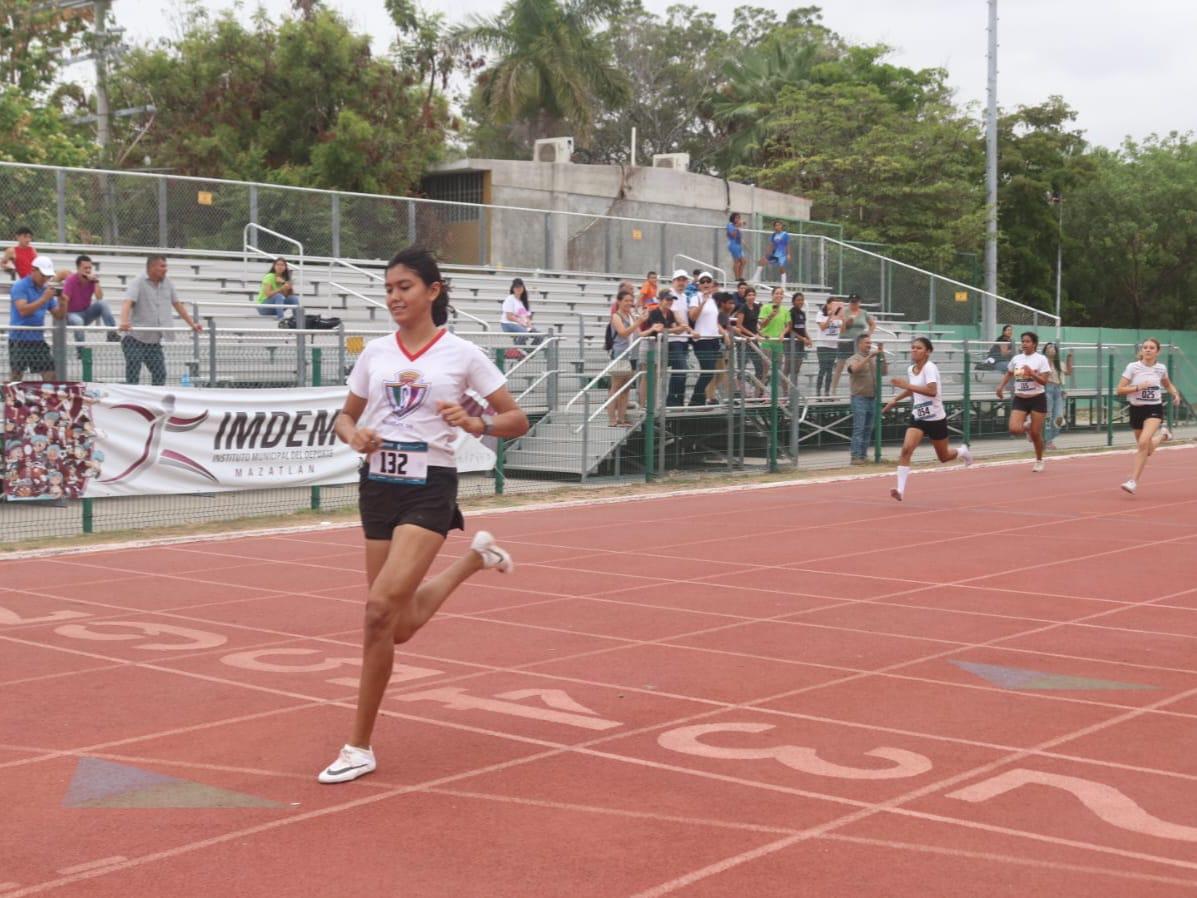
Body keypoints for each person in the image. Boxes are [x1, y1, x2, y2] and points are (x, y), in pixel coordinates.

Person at [317, 247, 529, 784]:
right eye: (388, 288)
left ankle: (358, 745)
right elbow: (343, 418)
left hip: (429, 488)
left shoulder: (462, 354)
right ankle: (474, 560)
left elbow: (517, 418)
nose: (394, 297)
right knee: (397, 625)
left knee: (375, 611)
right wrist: (354, 436)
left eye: (405, 287)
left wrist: (476, 423)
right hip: (378, 488)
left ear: (433, 291)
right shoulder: (374, 353)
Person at [882, 336, 973, 501]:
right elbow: (913, 390)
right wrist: (895, 399)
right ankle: (900, 490)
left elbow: (932, 391)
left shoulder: (930, 368)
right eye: (913, 347)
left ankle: (962, 451)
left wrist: (906, 385)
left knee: (943, 457)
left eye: (919, 348)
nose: (914, 350)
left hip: (936, 419)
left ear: (928, 352)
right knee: (906, 449)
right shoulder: (911, 369)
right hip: (918, 417)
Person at [118, 255, 203, 386]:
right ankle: (132, 403)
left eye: (166, 266)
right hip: (134, 339)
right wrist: (123, 322)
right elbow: (127, 303)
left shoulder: (168, 283)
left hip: (154, 342)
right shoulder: (138, 282)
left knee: (160, 374)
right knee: (133, 375)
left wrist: (192, 324)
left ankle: (155, 403)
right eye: (162, 266)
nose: (166, 269)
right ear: (152, 267)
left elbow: (177, 304)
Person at [1117, 337, 1179, 495]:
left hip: (1154, 408)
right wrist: (1138, 387)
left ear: (1157, 351)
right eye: (1145, 347)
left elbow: (1167, 384)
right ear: (1141, 350)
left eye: (1151, 347)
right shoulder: (1133, 367)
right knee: (1147, 449)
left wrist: (1175, 394)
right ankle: (1163, 436)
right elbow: (1120, 389)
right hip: (1136, 409)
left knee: (1143, 442)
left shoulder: (1161, 368)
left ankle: (1133, 481)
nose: (1148, 350)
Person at [995, 331, 1051, 472]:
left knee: (1036, 434)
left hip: (1037, 398)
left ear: (1034, 344)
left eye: (1027, 341)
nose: (1024, 344)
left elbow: (1044, 381)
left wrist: (1032, 373)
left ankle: (1039, 460)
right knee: (1014, 429)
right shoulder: (1016, 359)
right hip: (1020, 398)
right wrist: (1000, 387)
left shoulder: (1041, 359)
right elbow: (1009, 373)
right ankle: (1026, 426)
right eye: (1023, 341)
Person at [8, 256, 65, 381]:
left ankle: (49, 399)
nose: (46, 279)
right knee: (16, 377)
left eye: (48, 276)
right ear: (33, 270)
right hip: (19, 340)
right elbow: (23, 310)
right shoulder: (20, 286)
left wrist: (63, 301)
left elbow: (59, 315)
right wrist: (44, 299)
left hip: (37, 340)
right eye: (43, 275)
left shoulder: (46, 290)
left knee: (50, 374)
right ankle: (7, 398)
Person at [608, 289, 647, 426]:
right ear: (619, 301)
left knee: (626, 388)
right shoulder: (616, 316)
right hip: (621, 354)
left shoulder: (631, 315)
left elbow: (639, 334)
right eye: (626, 301)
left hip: (632, 355)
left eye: (631, 301)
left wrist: (653, 328)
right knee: (616, 387)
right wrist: (638, 322)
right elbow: (623, 333)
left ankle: (621, 418)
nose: (629, 303)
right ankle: (612, 419)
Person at [847, 333, 886, 465]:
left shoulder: (874, 359)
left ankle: (863, 455)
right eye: (866, 343)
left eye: (870, 343)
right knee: (859, 427)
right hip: (859, 398)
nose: (869, 345)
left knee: (868, 428)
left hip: (872, 397)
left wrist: (882, 355)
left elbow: (885, 372)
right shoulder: (854, 358)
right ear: (859, 344)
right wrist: (869, 356)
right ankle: (855, 455)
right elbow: (854, 370)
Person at [62, 254, 118, 343]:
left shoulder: (92, 281)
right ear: (78, 268)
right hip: (71, 314)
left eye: (89, 268)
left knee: (103, 303)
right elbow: (65, 300)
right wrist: (64, 317)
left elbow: (99, 297)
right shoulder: (70, 280)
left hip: (86, 313)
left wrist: (96, 281)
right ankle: (81, 351)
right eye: (85, 268)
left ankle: (112, 334)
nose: (88, 270)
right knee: (78, 321)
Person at [688, 271, 722, 406]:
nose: (706, 284)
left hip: (713, 339)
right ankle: (695, 400)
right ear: (699, 285)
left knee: (712, 371)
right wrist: (703, 301)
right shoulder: (695, 298)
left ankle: (701, 399)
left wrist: (723, 333)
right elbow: (693, 317)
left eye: (708, 281)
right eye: (703, 282)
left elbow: (715, 320)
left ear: (712, 284)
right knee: (707, 370)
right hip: (701, 339)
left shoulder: (714, 300)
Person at [831, 294, 876, 394]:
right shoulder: (844, 312)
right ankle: (833, 390)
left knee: (859, 365)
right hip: (845, 341)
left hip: (858, 343)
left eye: (856, 302)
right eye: (852, 302)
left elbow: (872, 324)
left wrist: (868, 334)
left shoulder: (864, 313)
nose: (854, 304)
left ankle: (859, 390)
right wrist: (846, 323)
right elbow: (841, 330)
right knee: (840, 366)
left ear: (859, 302)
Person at [663, 270, 693, 406]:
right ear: (673, 281)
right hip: (674, 339)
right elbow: (675, 314)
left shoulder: (684, 296)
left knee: (681, 371)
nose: (681, 282)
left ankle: (678, 401)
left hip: (683, 339)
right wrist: (685, 327)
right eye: (678, 280)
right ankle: (672, 402)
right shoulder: (670, 294)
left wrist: (687, 329)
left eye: (683, 280)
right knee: (680, 370)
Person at [733, 286, 765, 397]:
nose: (751, 297)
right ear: (745, 297)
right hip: (743, 339)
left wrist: (761, 334)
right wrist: (752, 335)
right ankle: (741, 392)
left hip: (753, 339)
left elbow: (755, 324)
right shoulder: (743, 308)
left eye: (753, 294)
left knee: (760, 365)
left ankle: (757, 392)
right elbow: (739, 325)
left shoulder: (756, 307)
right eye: (749, 295)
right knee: (742, 366)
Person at [1042, 342, 1073, 449]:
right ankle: (1047, 441)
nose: (1052, 349)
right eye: (1049, 347)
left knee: (1059, 418)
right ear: (1045, 350)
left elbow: (1069, 372)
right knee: (1047, 417)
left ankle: (1046, 439)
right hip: (1047, 390)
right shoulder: (1043, 362)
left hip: (1058, 390)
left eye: (1053, 347)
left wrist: (1069, 358)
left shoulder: (1059, 363)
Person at [758, 285, 789, 390]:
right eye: (777, 293)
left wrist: (783, 333)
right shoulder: (766, 307)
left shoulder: (785, 310)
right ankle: (759, 393)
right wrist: (771, 315)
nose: (779, 295)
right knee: (765, 369)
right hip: (767, 341)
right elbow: (761, 325)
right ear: (772, 295)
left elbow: (788, 325)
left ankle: (772, 393)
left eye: (781, 293)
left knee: (777, 369)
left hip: (778, 342)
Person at [814, 298, 844, 397]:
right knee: (823, 368)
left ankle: (827, 392)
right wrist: (830, 316)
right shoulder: (820, 314)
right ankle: (818, 391)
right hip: (822, 345)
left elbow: (843, 329)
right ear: (827, 304)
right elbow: (822, 327)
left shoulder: (838, 316)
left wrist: (842, 317)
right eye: (831, 304)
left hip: (833, 346)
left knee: (830, 369)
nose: (833, 306)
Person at [255, 257, 300, 322]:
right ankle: (281, 319)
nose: (280, 267)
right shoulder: (269, 276)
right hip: (263, 307)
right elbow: (268, 294)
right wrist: (281, 288)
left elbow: (287, 296)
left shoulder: (284, 278)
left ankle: (297, 320)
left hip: (276, 308)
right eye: (278, 264)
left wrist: (285, 284)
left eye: (282, 265)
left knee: (293, 298)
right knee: (279, 296)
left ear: (285, 267)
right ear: (274, 266)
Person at [499, 277, 537, 346]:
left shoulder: (524, 301)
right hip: (508, 324)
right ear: (513, 288)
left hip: (523, 325)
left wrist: (529, 325)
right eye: (516, 287)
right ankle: (519, 350)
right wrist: (521, 322)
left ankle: (528, 353)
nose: (518, 289)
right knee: (524, 333)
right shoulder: (510, 299)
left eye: (520, 287)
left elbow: (527, 317)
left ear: (523, 288)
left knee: (539, 336)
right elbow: (509, 317)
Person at [783, 291, 812, 382]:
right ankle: (784, 390)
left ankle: (794, 389)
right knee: (788, 367)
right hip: (790, 342)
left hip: (800, 343)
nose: (800, 302)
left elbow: (803, 328)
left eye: (802, 300)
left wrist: (808, 338)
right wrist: (802, 338)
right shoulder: (791, 313)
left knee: (797, 367)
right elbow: (790, 330)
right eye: (798, 300)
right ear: (793, 301)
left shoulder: (802, 314)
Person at [727, 213, 746, 281]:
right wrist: (737, 227)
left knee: (743, 261)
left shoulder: (737, 225)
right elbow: (733, 235)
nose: (738, 219)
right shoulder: (730, 225)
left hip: (738, 244)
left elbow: (739, 235)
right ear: (733, 218)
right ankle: (737, 278)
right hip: (733, 244)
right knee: (737, 261)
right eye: (736, 218)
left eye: (739, 218)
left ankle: (740, 277)